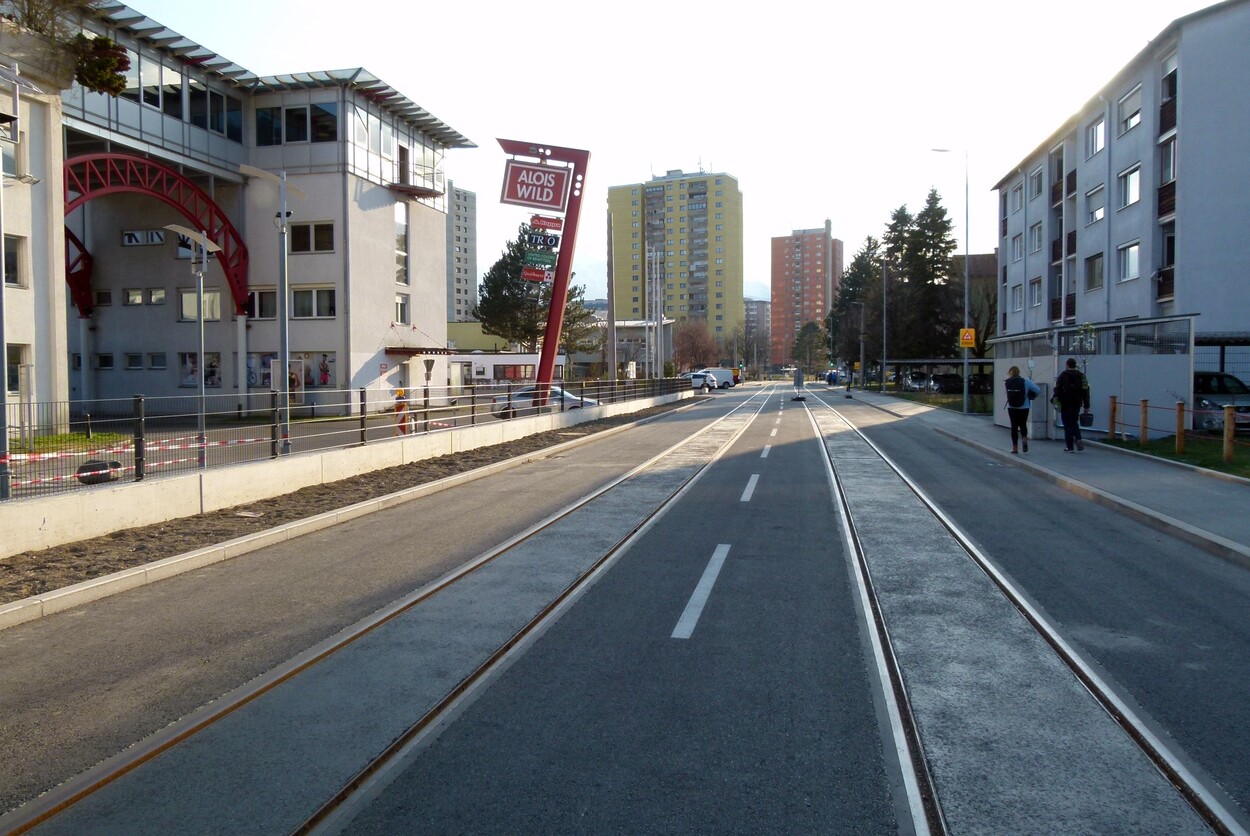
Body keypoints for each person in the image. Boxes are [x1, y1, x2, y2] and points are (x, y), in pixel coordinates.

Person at [1054, 357, 1091, 452]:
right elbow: (1086, 391)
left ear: (1067, 365)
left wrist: (1055, 400)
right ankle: (1078, 438)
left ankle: (1069, 446)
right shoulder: (1081, 376)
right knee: (1074, 421)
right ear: (1075, 365)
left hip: (1065, 402)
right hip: (1077, 403)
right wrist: (1086, 405)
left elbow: (1057, 389)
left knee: (1067, 424)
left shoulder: (1063, 375)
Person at [1004, 365, 1041, 454]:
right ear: (1019, 372)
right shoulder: (1026, 381)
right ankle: (1024, 438)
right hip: (1024, 407)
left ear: (1010, 373)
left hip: (1012, 407)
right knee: (1023, 424)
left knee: (1014, 427)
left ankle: (1015, 448)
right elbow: (1038, 390)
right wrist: (1031, 395)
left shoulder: (1008, 382)